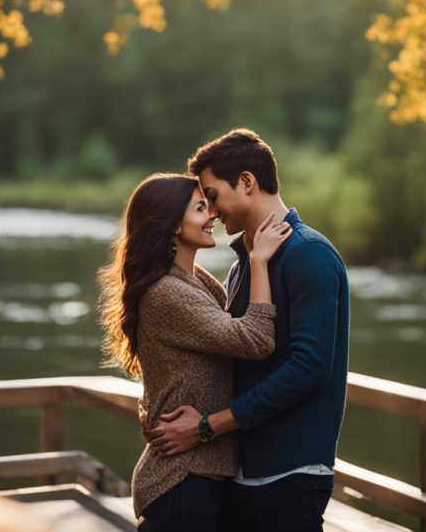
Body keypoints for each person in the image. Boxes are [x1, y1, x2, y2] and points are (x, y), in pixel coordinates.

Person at [145, 128, 350, 532]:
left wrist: (207, 426)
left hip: (289, 474)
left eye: (214, 196)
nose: (213, 211)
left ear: (246, 182)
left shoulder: (309, 255)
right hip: (241, 471)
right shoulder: (244, 264)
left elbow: (308, 368)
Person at [98, 172, 293, 531]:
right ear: (173, 224)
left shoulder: (196, 281)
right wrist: (259, 261)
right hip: (181, 479)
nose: (213, 216)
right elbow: (255, 340)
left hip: (200, 474)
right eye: (201, 208)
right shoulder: (167, 292)